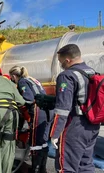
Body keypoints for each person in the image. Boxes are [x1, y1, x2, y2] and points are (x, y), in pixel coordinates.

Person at [50, 44, 100, 173]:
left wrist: (55, 133)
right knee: (86, 164)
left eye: (61, 62)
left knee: (65, 166)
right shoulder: (93, 72)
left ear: (68, 60)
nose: (61, 65)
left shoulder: (67, 76)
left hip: (74, 125)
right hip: (93, 125)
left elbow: (62, 109)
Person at [9, 65, 53, 173]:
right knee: (43, 141)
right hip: (48, 110)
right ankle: (42, 169)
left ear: (14, 76)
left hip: (38, 110)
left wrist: (16, 103)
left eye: (11, 78)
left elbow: (28, 98)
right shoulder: (33, 79)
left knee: (35, 142)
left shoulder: (22, 82)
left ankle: (35, 169)